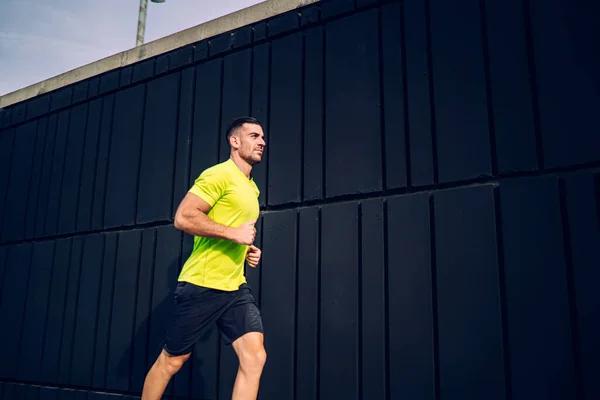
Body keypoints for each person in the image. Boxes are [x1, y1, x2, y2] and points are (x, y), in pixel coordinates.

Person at [141, 117, 267, 400]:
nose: (262, 142)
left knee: (254, 357)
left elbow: (228, 227)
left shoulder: (251, 187)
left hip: (234, 287)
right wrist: (234, 234)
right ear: (234, 141)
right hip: (203, 284)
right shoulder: (218, 175)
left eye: (262, 137)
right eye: (254, 136)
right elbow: (183, 217)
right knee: (172, 361)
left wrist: (246, 250)